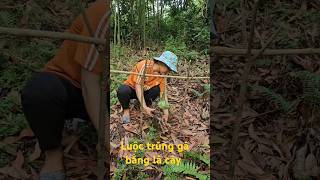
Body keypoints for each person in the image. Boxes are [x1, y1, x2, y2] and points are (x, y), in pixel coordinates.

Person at [20, 1, 108, 179]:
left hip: (107, 89)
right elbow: (89, 83)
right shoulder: (105, 12)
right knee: (41, 91)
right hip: (75, 85)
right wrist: (107, 136)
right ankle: (53, 155)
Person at [117, 51, 178, 124]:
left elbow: (163, 96)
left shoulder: (162, 76)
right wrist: (144, 106)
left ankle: (142, 104)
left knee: (156, 90)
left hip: (145, 92)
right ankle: (126, 110)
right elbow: (138, 86)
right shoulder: (145, 65)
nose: (168, 72)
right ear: (162, 63)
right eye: (168, 69)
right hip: (133, 89)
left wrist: (166, 114)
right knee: (122, 90)